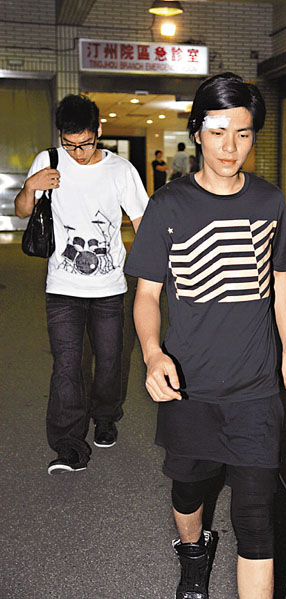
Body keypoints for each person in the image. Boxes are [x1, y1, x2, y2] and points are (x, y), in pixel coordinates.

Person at [124, 72, 286, 599]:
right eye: (218, 132)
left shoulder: (269, 201)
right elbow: (147, 295)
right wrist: (153, 354)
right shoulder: (168, 205)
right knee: (188, 491)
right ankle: (193, 554)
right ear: (198, 132)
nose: (230, 147)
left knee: (256, 515)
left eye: (243, 134)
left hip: (255, 388)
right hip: (189, 386)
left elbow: (281, 277)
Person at [15, 94, 148, 475]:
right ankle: (69, 446)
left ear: (98, 132)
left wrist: (151, 273)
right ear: (61, 136)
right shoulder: (48, 161)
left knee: (109, 361)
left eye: (86, 144)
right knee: (66, 365)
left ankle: (105, 417)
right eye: (70, 144)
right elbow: (22, 211)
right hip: (62, 286)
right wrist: (31, 186)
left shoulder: (120, 170)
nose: (78, 153)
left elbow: (142, 221)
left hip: (109, 287)